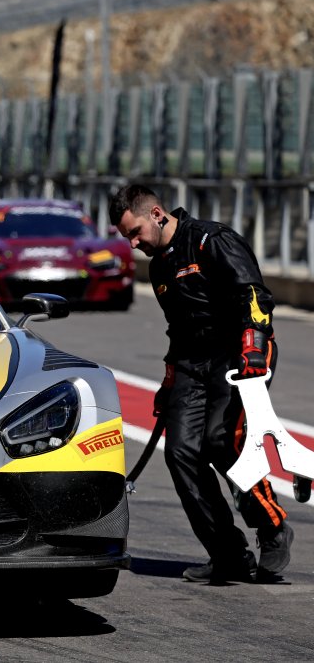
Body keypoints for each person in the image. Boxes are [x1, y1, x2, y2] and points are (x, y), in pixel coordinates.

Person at [108, 183, 293, 584]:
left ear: (157, 214)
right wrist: (169, 382)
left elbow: (254, 295)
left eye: (135, 232)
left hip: (239, 352)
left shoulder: (212, 240)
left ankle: (272, 525)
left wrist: (253, 346)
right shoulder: (158, 267)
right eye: (127, 238)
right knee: (181, 453)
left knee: (222, 440)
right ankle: (228, 554)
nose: (134, 244)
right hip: (193, 363)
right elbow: (177, 330)